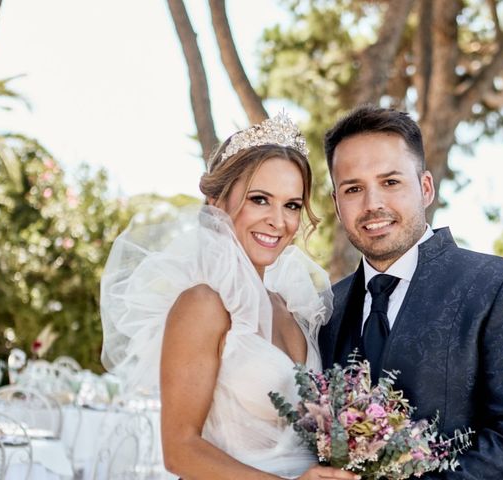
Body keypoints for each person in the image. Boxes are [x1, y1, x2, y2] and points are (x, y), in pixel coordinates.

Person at [100, 113, 360, 480]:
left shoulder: (292, 308)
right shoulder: (202, 305)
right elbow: (180, 450)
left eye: (292, 205)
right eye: (259, 199)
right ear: (217, 203)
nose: (278, 220)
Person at [318, 105, 503, 479]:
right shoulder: (325, 308)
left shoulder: (502, 285)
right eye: (353, 189)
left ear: (425, 188)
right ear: (336, 204)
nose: (372, 204)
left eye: (391, 182)